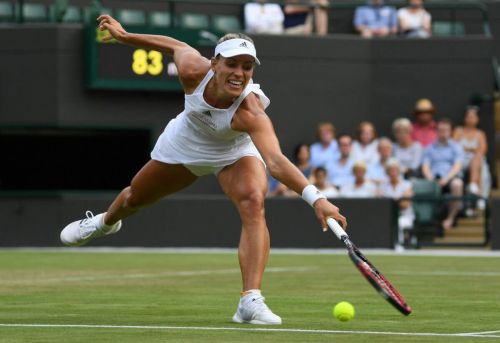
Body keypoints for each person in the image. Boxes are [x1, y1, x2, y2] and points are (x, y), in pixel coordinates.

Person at [59, 15, 347, 325]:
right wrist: (125, 37)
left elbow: (275, 162)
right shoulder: (192, 70)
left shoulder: (251, 113)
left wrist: (317, 199)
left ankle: (250, 300)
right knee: (134, 199)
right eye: (232, 64)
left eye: (247, 67)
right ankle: (103, 223)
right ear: (215, 64)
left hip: (234, 152)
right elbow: (174, 44)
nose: (239, 73)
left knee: (253, 202)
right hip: (185, 145)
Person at [421, 118, 464, 230]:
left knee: (457, 184)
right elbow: (425, 166)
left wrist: (447, 178)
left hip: (450, 177)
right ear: (437, 131)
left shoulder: (456, 147)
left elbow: (457, 166)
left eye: (446, 130)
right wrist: (430, 179)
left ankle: (450, 218)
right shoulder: (429, 148)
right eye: (440, 130)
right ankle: (425, 220)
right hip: (433, 178)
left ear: (450, 132)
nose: (443, 133)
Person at [452, 106, 491, 200]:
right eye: (468, 117)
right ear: (464, 118)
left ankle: (474, 187)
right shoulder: (458, 130)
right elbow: (453, 147)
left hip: (476, 161)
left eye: (473, 117)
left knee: (477, 159)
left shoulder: (480, 134)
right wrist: (472, 149)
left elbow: (482, 150)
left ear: (477, 119)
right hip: (460, 160)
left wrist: (466, 149)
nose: (470, 119)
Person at [378, 158, 414, 249]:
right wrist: (396, 200)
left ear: (399, 171)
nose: (393, 173)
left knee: (399, 223)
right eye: (390, 170)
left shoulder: (407, 184)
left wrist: (389, 201)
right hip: (387, 216)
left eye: (395, 170)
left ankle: (399, 246)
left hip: (405, 215)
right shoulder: (383, 185)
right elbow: (380, 203)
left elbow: (405, 205)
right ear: (387, 172)